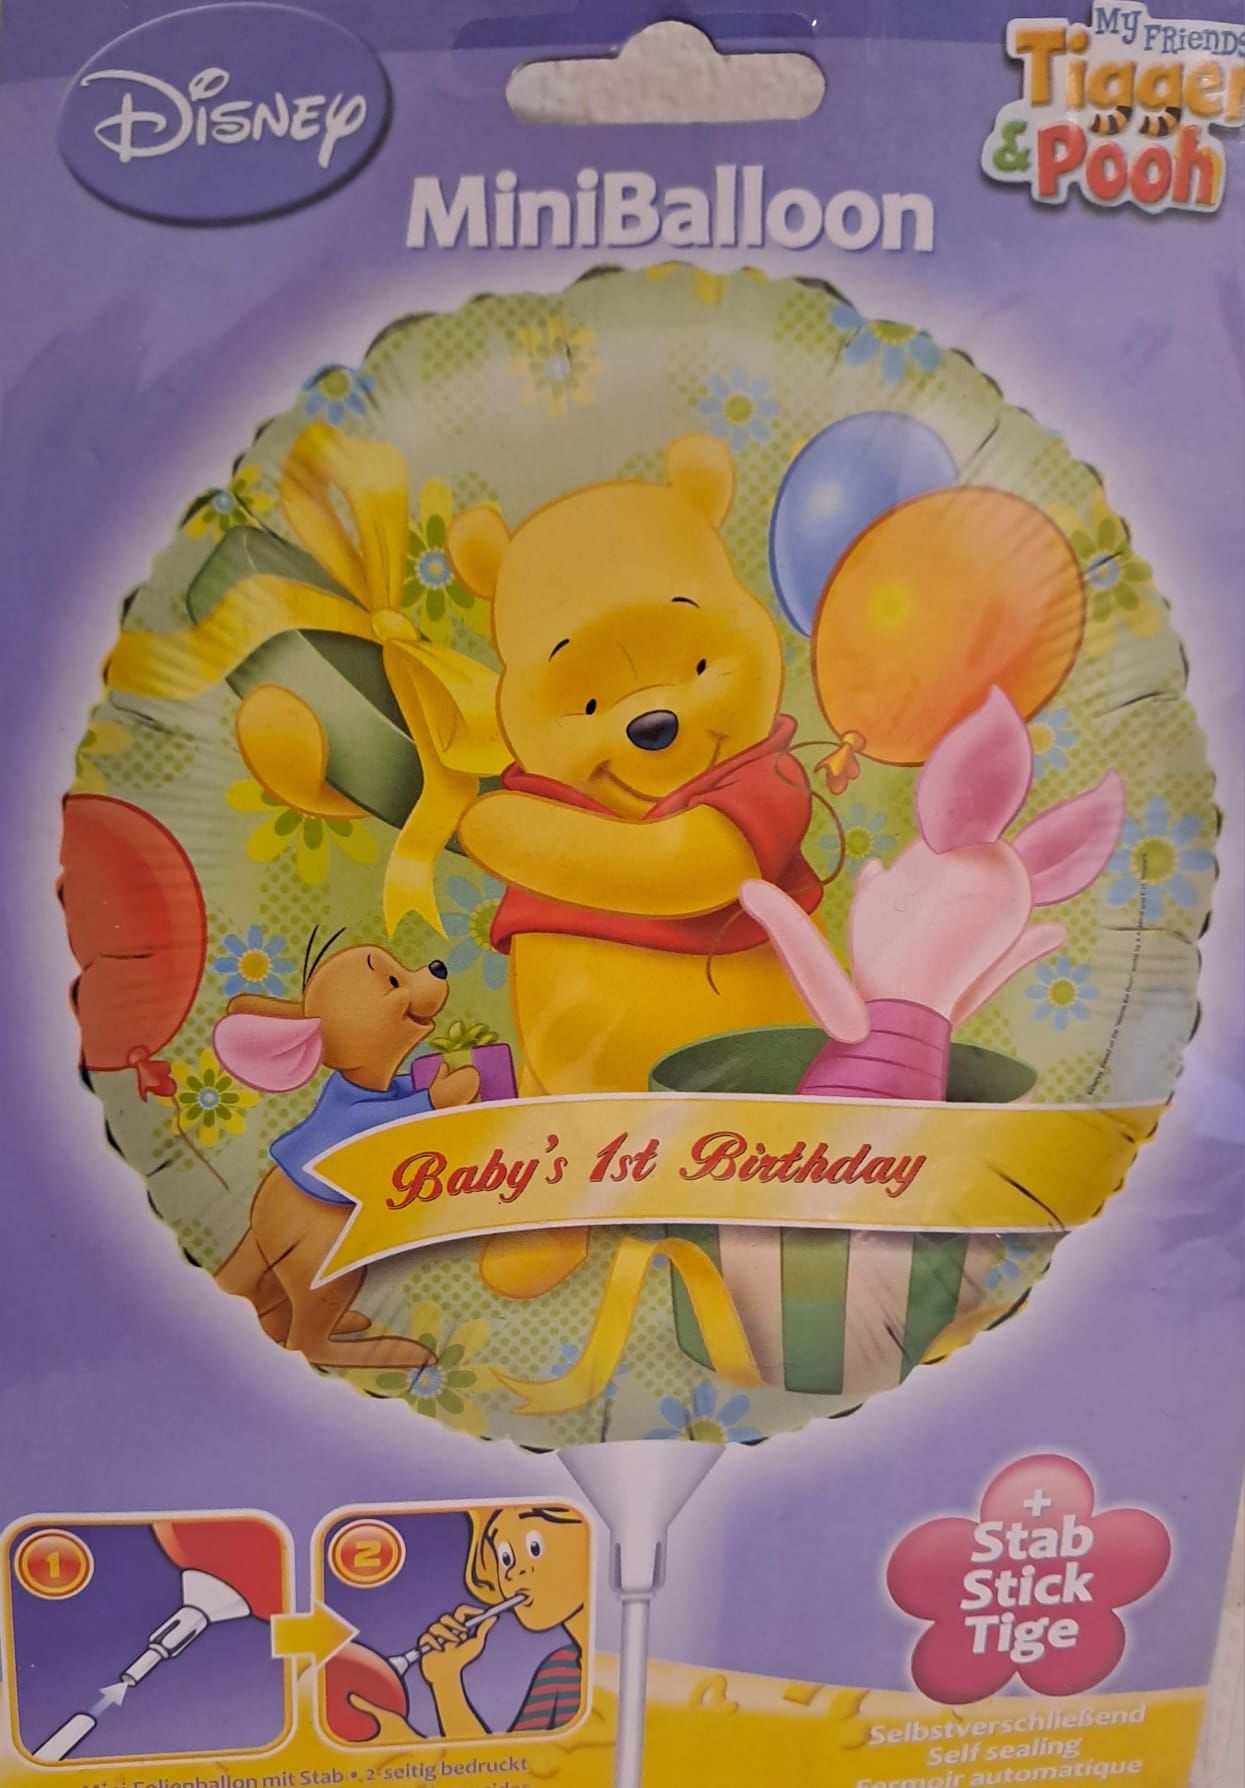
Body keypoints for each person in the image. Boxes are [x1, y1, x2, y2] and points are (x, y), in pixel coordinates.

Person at [419, 1505, 589, 1739]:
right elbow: (507, 1758)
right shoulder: (559, 1670)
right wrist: (445, 1681)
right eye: (506, 1558)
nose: (513, 1572)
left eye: (534, 1548)